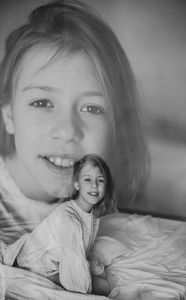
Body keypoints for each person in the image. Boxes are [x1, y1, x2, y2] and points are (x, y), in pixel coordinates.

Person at [0, 0, 147, 298]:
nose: (68, 130)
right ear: (9, 116)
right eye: (42, 103)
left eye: (93, 108)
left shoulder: (100, 201)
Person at [3, 154, 116, 294]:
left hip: (58, 259)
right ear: (77, 184)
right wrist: (84, 283)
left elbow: (80, 248)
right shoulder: (68, 219)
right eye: (87, 179)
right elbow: (73, 269)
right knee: (104, 286)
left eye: (100, 180)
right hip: (36, 264)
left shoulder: (92, 215)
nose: (94, 185)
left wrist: (89, 263)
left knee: (102, 277)